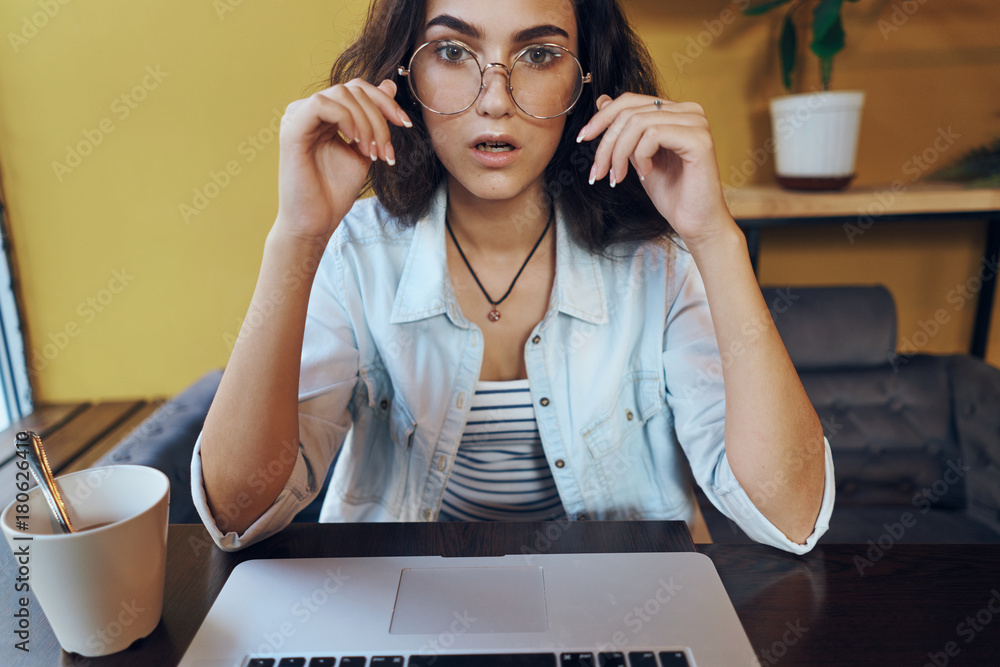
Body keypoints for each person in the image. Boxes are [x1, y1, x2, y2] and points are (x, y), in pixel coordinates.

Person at [192, 0, 834, 553]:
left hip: (626, 607)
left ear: (586, 81)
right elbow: (237, 514)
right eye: (450, 50)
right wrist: (297, 239)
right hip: (399, 604)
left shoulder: (658, 261)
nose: (495, 100)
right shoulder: (357, 253)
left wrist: (714, 237)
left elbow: (790, 516)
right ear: (403, 76)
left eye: (539, 55)